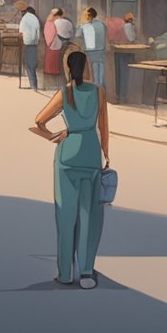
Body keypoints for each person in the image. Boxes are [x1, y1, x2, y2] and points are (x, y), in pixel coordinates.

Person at [31, 50, 110, 288]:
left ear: (67, 68)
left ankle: (65, 273)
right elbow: (104, 128)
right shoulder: (98, 91)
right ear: (86, 67)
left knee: (65, 216)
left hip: (67, 154)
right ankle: (86, 272)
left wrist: (55, 136)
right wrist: (106, 155)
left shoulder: (64, 92)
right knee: (90, 216)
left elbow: (39, 120)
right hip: (91, 155)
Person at [79, 7, 107, 84]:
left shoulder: (85, 25)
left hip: (91, 51)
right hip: (101, 50)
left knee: (93, 72)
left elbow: (77, 34)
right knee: (101, 69)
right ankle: (101, 88)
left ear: (89, 16)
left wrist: (82, 23)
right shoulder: (102, 24)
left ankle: (96, 88)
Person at [20, 5, 42, 90]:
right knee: (32, 64)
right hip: (35, 44)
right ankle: (34, 85)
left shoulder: (24, 19)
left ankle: (33, 85)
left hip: (27, 43)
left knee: (28, 65)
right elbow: (38, 32)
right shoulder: (35, 19)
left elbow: (21, 33)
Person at [44, 8, 67, 80]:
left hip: (55, 41)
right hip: (54, 41)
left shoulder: (53, 21)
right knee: (53, 57)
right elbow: (50, 32)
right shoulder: (50, 22)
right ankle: (52, 71)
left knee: (55, 57)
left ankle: (53, 71)